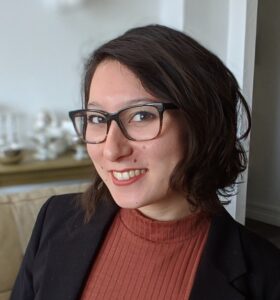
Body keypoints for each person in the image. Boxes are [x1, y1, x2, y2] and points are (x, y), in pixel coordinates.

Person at [11, 24, 280, 300]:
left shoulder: (267, 277)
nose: (111, 150)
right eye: (96, 118)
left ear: (201, 122)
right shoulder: (54, 219)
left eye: (141, 116)